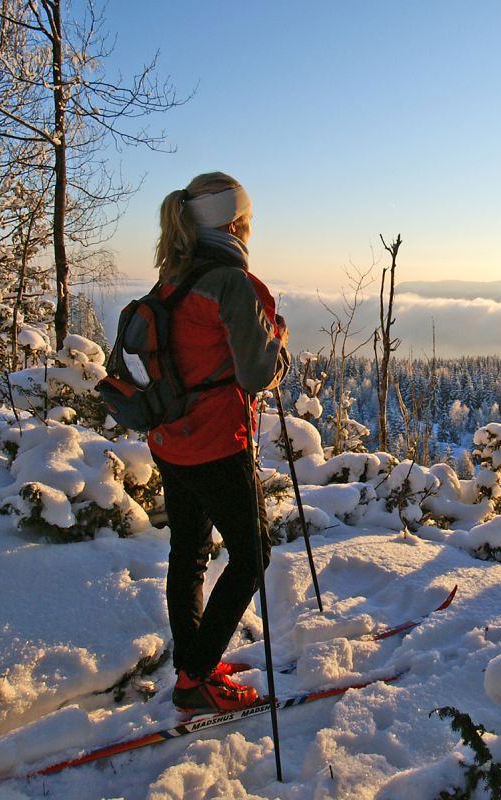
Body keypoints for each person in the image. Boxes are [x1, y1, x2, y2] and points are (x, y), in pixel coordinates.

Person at [147, 172, 290, 713]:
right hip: (215, 444)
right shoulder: (232, 283)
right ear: (234, 223)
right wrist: (279, 339)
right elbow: (258, 374)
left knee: (188, 551)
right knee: (253, 556)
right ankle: (197, 678)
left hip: (170, 440)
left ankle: (193, 663)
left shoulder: (173, 280)